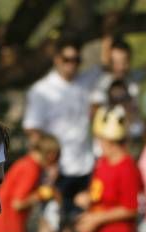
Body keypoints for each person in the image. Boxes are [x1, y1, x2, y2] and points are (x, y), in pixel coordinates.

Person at [23, 39, 101, 219]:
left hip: (85, 165)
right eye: (67, 59)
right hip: (57, 168)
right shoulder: (42, 90)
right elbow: (33, 130)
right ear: (57, 59)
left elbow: (106, 63)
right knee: (51, 222)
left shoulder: (84, 83)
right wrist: (47, 164)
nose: (71, 64)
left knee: (81, 218)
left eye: (76, 60)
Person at [74, 105, 141, 232]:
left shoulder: (127, 167)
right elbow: (99, 194)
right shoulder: (101, 163)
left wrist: (97, 219)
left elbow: (131, 208)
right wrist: (86, 199)